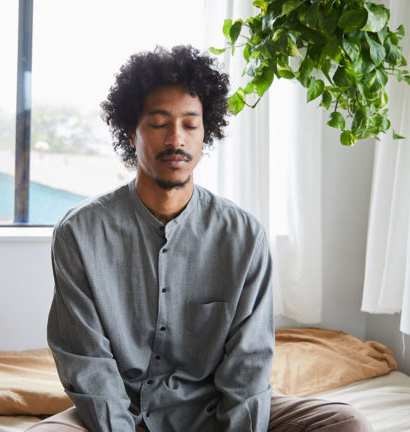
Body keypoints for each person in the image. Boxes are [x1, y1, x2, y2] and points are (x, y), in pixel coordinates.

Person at [26, 45, 372, 432]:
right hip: (123, 412)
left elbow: (248, 366)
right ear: (130, 131)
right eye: (159, 123)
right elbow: (86, 362)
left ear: (206, 131)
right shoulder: (80, 233)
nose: (177, 139)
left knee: (345, 422)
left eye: (190, 125)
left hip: (216, 409)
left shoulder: (243, 236)